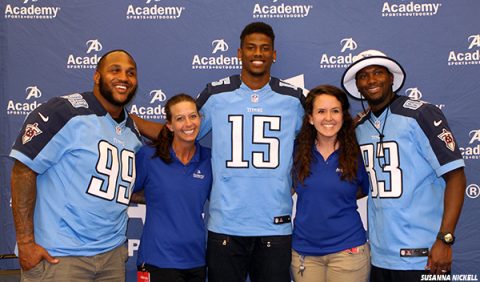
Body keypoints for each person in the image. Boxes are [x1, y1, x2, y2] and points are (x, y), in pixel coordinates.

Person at [10, 49, 142, 281]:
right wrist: (26, 243)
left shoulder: (131, 130)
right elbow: (23, 170)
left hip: (112, 254)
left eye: (130, 73)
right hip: (60, 256)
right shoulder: (64, 112)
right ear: (97, 76)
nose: (124, 77)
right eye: (115, 70)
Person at [341, 50, 466, 281]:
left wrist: (445, 239)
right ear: (357, 85)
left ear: (391, 78)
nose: (371, 80)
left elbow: (456, 175)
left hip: (425, 254)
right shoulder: (359, 128)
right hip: (379, 257)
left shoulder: (421, 114)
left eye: (378, 72)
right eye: (364, 75)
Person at [196, 22, 305, 282]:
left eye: (265, 48)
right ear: (239, 52)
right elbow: (184, 132)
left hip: (274, 224)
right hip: (226, 223)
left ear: (274, 54)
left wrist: (294, 177)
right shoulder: (216, 94)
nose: (258, 53)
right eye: (251, 47)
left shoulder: (293, 99)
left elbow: (319, 138)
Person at [290, 85, 370, 282]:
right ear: (310, 118)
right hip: (304, 253)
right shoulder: (296, 151)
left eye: (335, 111)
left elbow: (364, 189)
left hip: (349, 250)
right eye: (321, 111)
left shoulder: (358, 152)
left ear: (343, 116)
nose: (328, 118)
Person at [131, 94, 212, 282]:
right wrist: (151, 196)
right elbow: (122, 192)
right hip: (156, 261)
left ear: (200, 119)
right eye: (180, 118)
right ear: (169, 125)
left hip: (196, 261)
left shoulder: (209, 159)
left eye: (193, 116)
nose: (188, 124)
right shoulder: (149, 156)